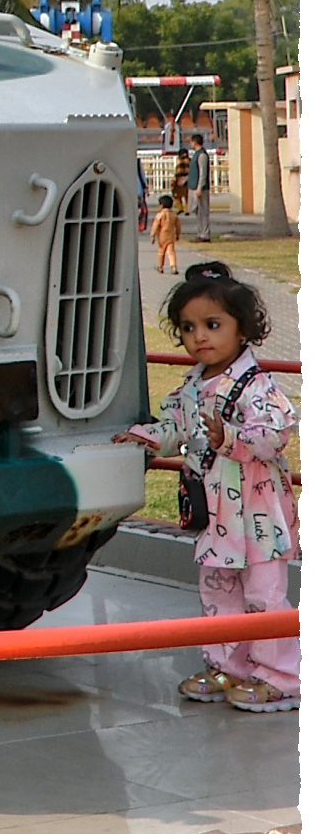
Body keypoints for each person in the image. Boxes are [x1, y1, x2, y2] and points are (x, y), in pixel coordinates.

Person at [116, 262, 298, 715]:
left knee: (263, 596)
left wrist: (230, 439)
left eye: (213, 325)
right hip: (216, 516)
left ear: (243, 329)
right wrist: (145, 437)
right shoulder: (193, 386)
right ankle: (227, 666)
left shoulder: (258, 386)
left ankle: (281, 677)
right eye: (189, 327)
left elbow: (277, 433)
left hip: (257, 515)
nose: (200, 337)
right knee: (218, 592)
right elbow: (175, 425)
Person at [188, 131, 215, 241]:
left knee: (203, 211)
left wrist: (200, 187)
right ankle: (200, 232)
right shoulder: (195, 154)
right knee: (197, 211)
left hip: (200, 188)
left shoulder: (202, 155)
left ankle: (205, 234)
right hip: (194, 186)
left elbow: (203, 172)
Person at [150, 192, 181, 274]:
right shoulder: (174, 215)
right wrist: (178, 234)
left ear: (161, 205)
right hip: (171, 236)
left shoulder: (160, 215)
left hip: (162, 236)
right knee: (171, 251)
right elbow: (178, 226)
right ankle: (173, 266)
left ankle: (160, 267)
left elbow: (155, 225)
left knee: (161, 251)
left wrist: (152, 235)